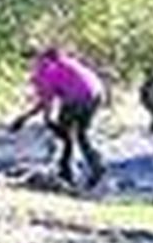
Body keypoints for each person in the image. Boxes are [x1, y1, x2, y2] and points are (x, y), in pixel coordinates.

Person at [10, 46, 107, 188]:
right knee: (80, 134)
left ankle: (67, 172)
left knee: (66, 134)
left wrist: (24, 118)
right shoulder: (62, 60)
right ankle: (95, 165)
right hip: (97, 93)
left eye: (26, 64)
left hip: (79, 96)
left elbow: (45, 103)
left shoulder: (44, 70)